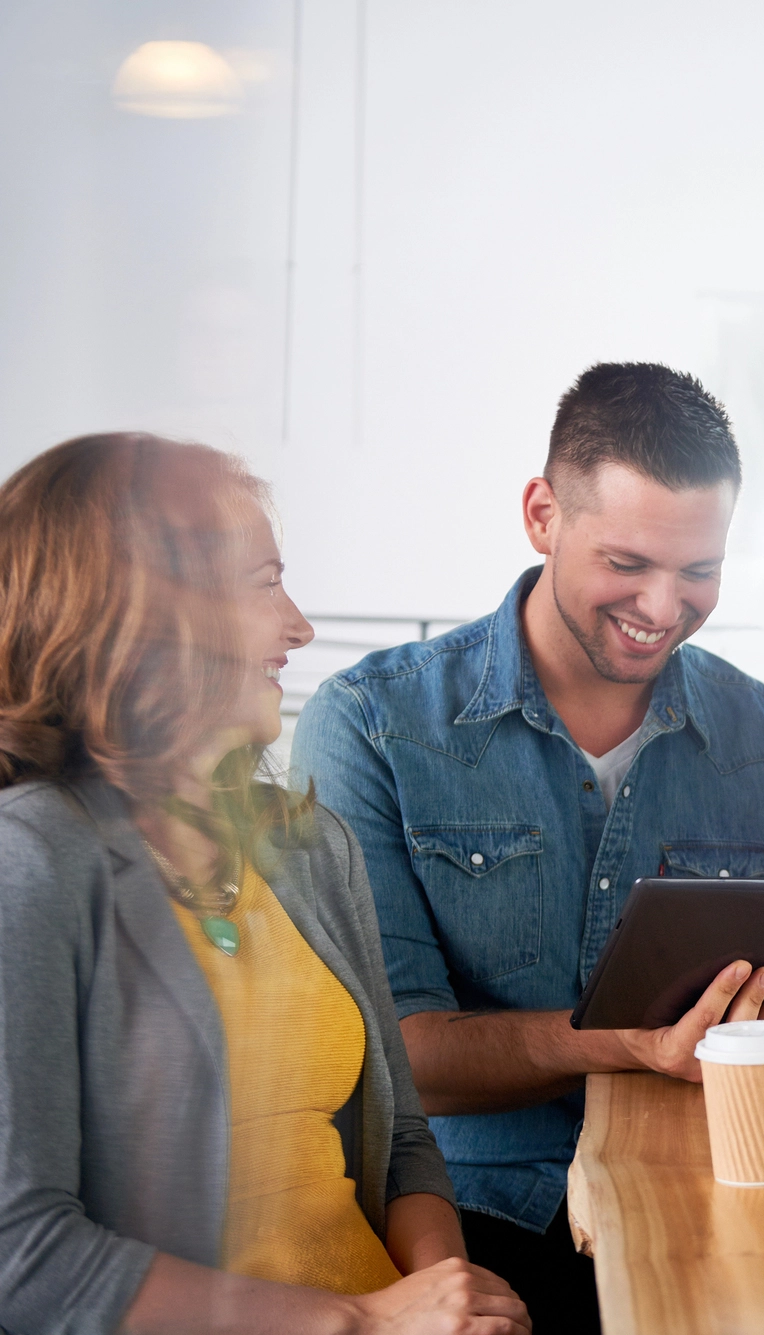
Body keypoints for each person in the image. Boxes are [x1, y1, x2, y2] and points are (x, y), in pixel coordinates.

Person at [290, 363, 764, 1333]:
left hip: (722, 1199)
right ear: (542, 514)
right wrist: (623, 1045)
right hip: (471, 1216)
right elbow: (395, 1059)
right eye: (627, 564)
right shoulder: (370, 726)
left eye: (699, 570)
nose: (664, 608)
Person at [0, 434, 526, 1333]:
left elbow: (401, 1142)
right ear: (138, 613)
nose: (299, 625)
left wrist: (450, 1295)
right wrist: (365, 1320)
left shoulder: (311, 846)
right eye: (262, 583)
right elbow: (28, 1256)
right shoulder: (34, 862)